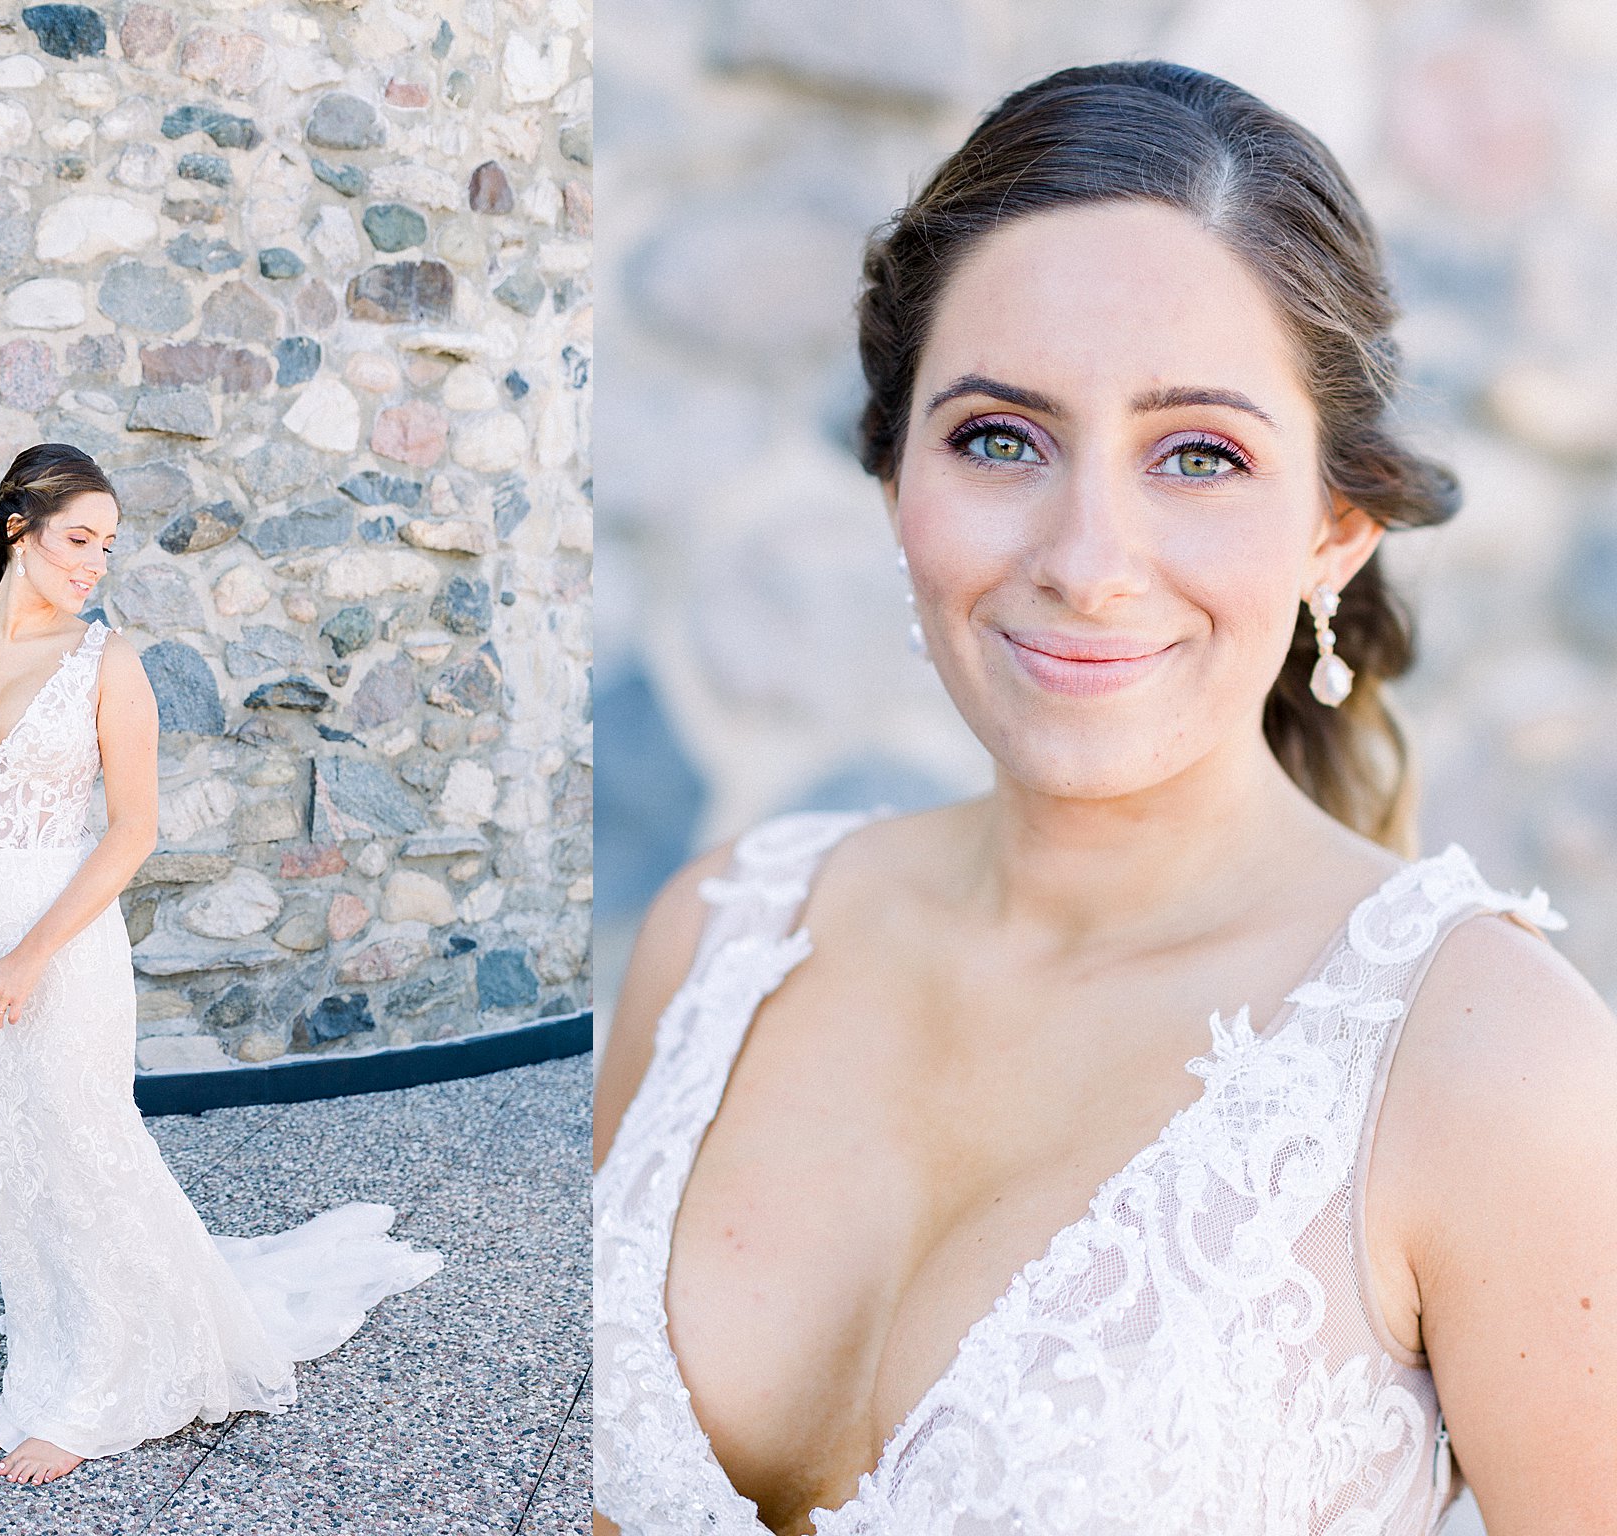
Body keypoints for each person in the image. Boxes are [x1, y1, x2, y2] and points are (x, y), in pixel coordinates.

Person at [592, 62, 1617, 1535]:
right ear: (896, 480)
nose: (1089, 557)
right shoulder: (719, 946)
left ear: (1335, 529)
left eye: (1199, 455)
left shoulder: (1494, 1065)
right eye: (998, 437)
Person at [0, 442, 442, 1486]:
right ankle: (39, 1367)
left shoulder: (104, 661)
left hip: (60, 949)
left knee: (82, 1148)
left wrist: (31, 958)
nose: (94, 563)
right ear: (14, 531)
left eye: (107, 546)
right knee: (4, 1157)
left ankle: (96, 1392)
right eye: (77, 539)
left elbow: (131, 831)